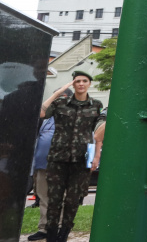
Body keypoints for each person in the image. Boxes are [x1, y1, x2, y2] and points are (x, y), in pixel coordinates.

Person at [39, 71, 104, 242]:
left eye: (84, 81)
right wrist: (58, 92)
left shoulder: (96, 105)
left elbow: (98, 135)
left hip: (80, 160)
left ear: (89, 84)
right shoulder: (60, 103)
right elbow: (41, 113)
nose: (81, 84)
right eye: (77, 81)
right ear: (73, 84)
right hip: (57, 158)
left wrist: (97, 156)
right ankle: (51, 234)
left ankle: (64, 233)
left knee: (73, 200)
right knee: (54, 199)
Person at [27, 116, 56, 241]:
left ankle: (58, 227)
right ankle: (44, 229)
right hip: (41, 165)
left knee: (58, 197)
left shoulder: (67, 117)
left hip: (58, 166)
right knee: (43, 197)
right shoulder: (46, 120)